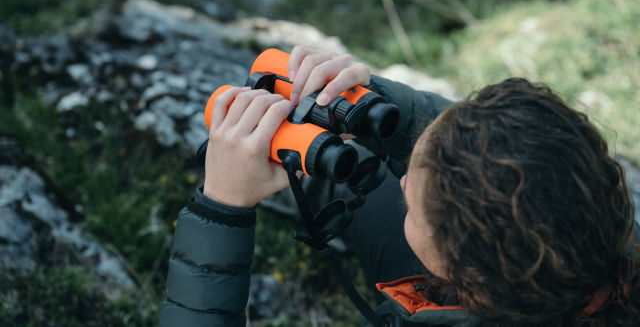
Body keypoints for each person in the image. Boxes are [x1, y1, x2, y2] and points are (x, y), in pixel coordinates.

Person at [158, 46, 639, 326]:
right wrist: (383, 108)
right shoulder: (589, 237)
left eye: (416, 203)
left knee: (363, 184)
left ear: (461, 278)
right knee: (362, 174)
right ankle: (308, 175)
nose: (403, 179)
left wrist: (222, 208)